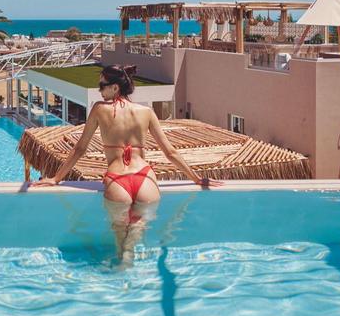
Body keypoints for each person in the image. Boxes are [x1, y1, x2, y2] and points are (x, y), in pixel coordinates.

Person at [31, 64, 221, 264]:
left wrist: (56, 178)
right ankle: (129, 252)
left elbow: (80, 149)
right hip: (144, 178)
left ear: (115, 88)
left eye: (102, 85)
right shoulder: (146, 112)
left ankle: (123, 257)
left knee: (119, 228)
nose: (99, 90)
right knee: (138, 224)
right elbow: (170, 152)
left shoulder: (99, 109)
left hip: (117, 179)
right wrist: (196, 179)